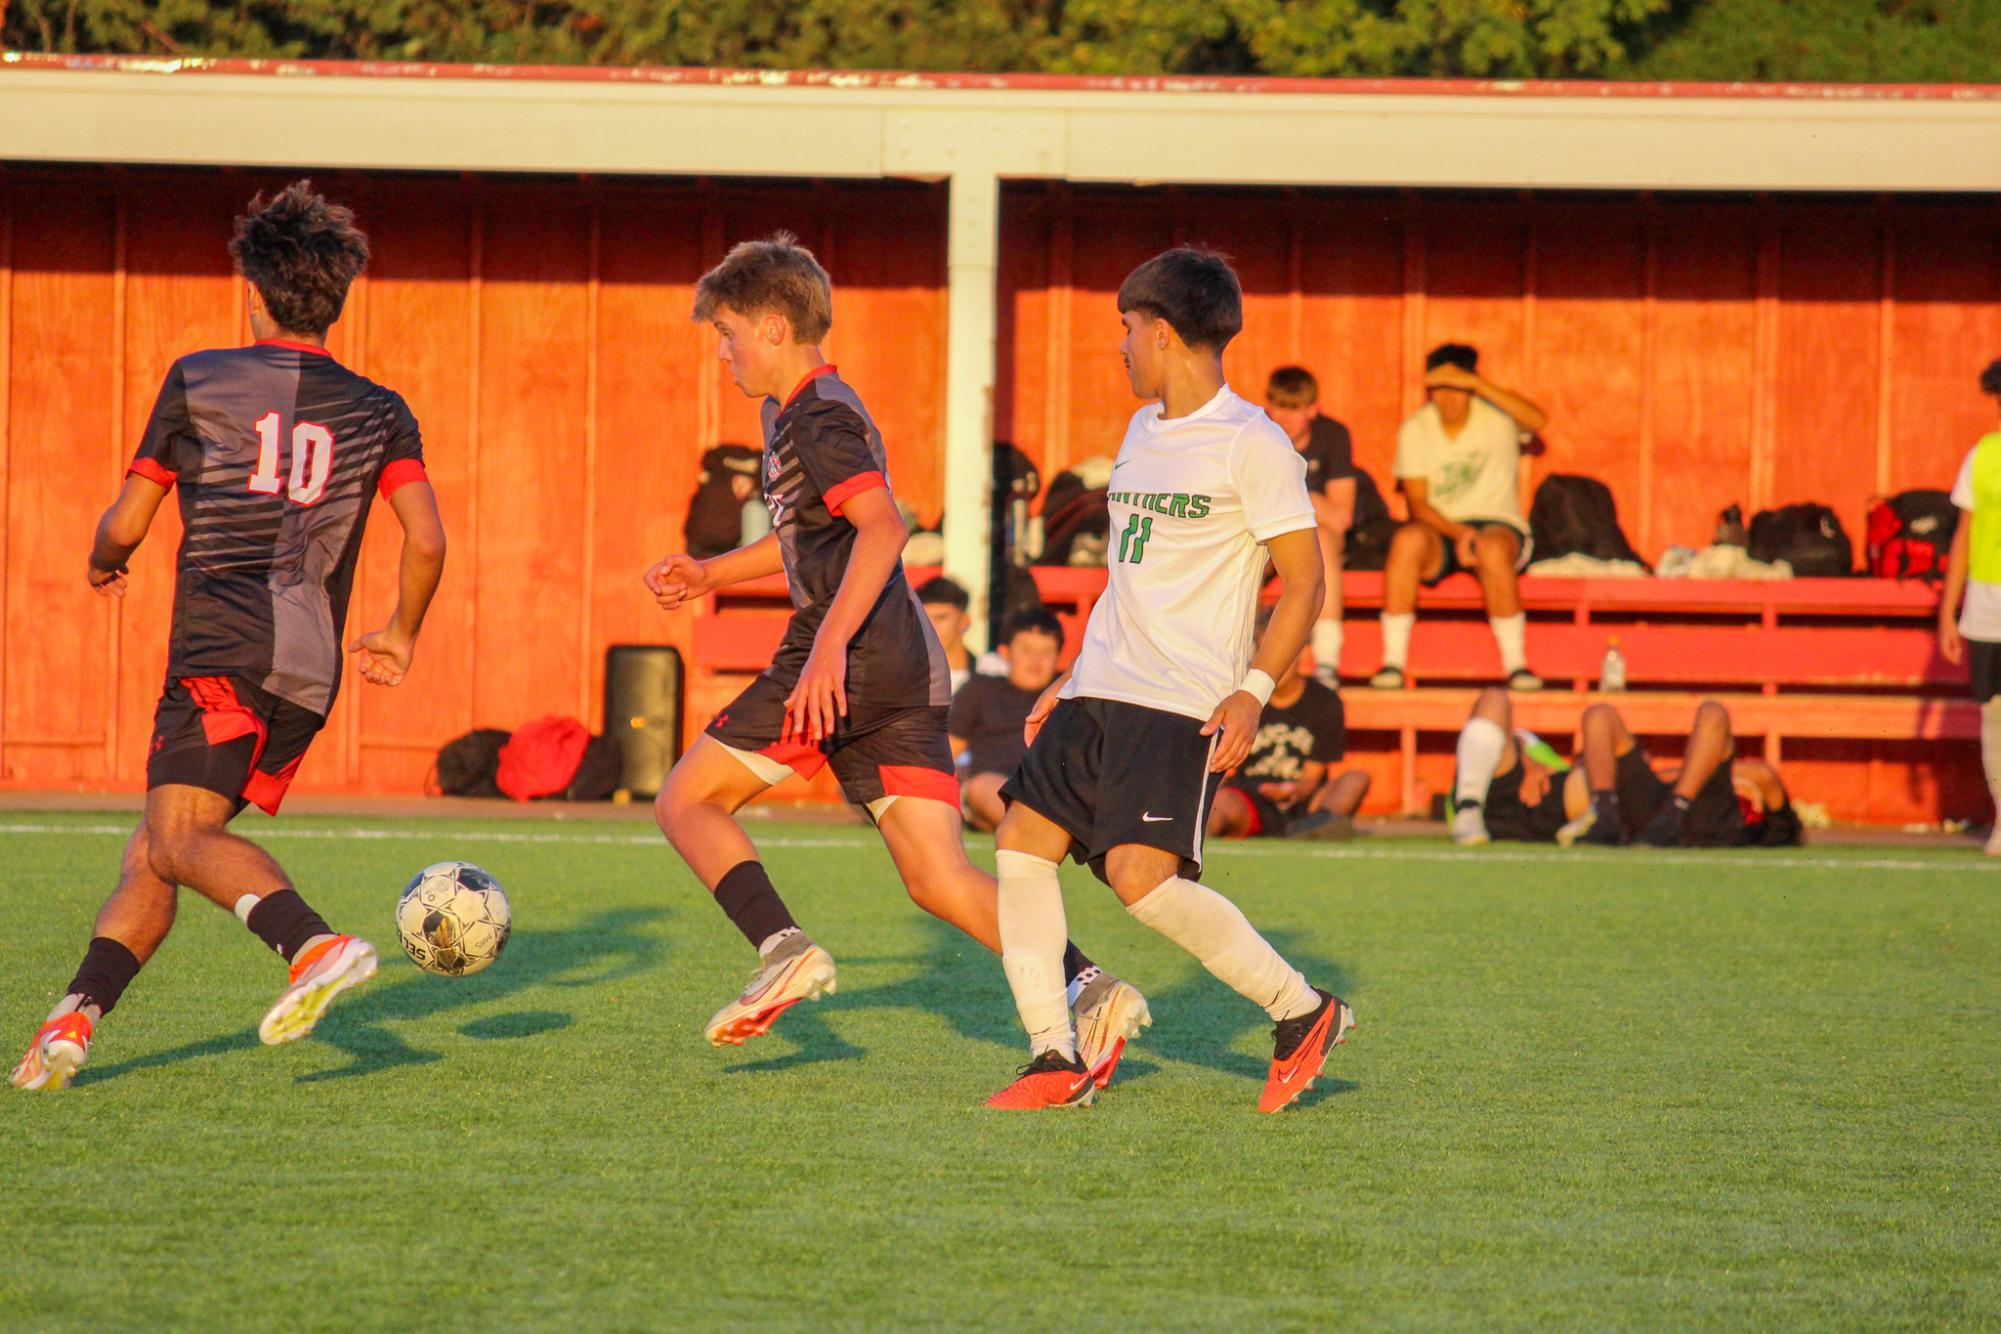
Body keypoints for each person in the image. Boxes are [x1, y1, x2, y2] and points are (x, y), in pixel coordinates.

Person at [644, 234, 1148, 1073]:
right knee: (938, 878)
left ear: (773, 328)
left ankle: (781, 949)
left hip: (856, 653)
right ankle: (1088, 986)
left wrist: (826, 650)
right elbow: (808, 536)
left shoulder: (817, 416)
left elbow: (885, 526)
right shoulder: (801, 413)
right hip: (907, 666)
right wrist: (708, 573)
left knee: (685, 801)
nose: (722, 353)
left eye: (727, 333)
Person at [10, 182, 448, 1090]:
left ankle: (311, 944)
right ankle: (72, 1023)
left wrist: (101, 557)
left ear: (254, 288)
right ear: (337, 297)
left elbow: (128, 522)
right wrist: (400, 633)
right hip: (309, 674)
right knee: (161, 840)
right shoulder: (380, 408)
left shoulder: (200, 378)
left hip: (219, 651)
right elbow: (428, 537)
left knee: (175, 840)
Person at [985, 248, 1353, 1113]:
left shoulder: (1252, 442)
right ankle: (1050, 1053)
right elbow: (1128, 573)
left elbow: (1304, 581)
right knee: (1018, 847)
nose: (1119, 348)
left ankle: (1301, 1011)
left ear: (1160, 332)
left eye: (1125, 331)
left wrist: (1253, 691)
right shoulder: (1140, 431)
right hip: (1100, 687)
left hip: (1178, 701)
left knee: (1139, 882)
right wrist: (1071, 672)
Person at [1372, 343, 1549, 692]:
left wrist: (1479, 385)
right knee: (1406, 541)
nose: (1446, 399)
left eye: (1455, 388)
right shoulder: (1416, 428)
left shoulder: (1497, 419)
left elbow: (1537, 420)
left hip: (1498, 523)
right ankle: (1392, 662)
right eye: (1438, 389)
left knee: (1492, 549)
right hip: (1441, 528)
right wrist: (1459, 533)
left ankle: (1516, 665)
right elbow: (1418, 503)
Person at [1447, 690, 1802, 849]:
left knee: (1711, 712)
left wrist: (1527, 756)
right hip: (1617, 810)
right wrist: (1527, 754)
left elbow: (1764, 777)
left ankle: (1613, 813)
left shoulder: (1504, 764)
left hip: (1651, 811)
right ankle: (1605, 813)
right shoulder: (1491, 775)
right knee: (1494, 699)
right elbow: (1494, 730)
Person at [1263, 366, 1392, 683]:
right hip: (1267, 533)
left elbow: (1339, 517)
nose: (1284, 418)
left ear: (1312, 409)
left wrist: (1293, 489)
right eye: (1279, 407)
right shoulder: (1258, 434)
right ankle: (1239, 654)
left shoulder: (1332, 436)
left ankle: (1327, 659)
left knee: (1320, 538)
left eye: (1294, 408)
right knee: (1244, 542)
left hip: (1315, 542)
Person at [1207, 609, 1371, 842]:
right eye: (1267, 652)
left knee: (1356, 779)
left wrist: (1294, 791)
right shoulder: (1245, 699)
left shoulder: (1325, 702)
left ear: (1301, 653)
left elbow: (1313, 775)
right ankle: (1208, 830)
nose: (1277, 662)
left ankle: (1317, 825)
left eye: (1284, 653)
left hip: (1305, 800)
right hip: (1251, 797)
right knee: (1220, 804)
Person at [1936, 357, 2001, 856]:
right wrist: (1948, 612)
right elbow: (1962, 536)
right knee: (1993, 716)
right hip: (1984, 603)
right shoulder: (1981, 457)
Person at [949, 609, 1065, 834]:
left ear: (1059, 657)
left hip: (1051, 793)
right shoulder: (980, 690)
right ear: (1005, 652)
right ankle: (1032, 828)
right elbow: (948, 751)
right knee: (980, 786)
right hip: (994, 791)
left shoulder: (1068, 697)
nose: (1036, 660)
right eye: (1026, 650)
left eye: (1046, 652)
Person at [917, 574, 977, 694]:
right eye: (924, 618)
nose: (930, 627)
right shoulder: (903, 679)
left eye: (940, 618)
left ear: (964, 621)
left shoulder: (992, 673)